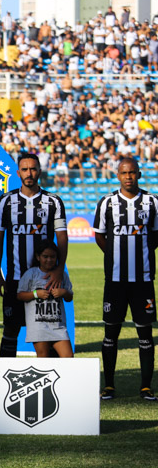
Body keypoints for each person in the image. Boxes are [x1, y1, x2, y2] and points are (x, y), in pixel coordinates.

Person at [94, 157, 158, 401]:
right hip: (115, 281)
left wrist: (141, 253)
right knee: (111, 334)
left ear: (139, 174)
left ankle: (145, 387)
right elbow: (100, 235)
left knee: (145, 334)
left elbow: (155, 235)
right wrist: (114, 256)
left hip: (142, 281)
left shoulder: (152, 202)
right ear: (117, 175)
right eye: (124, 173)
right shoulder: (107, 203)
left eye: (132, 173)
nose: (128, 177)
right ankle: (109, 386)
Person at [0, 153, 68, 357]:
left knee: (49, 331)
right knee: (10, 329)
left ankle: (53, 377)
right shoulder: (6, 201)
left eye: (33, 169)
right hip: (15, 278)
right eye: (25, 169)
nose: (29, 173)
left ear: (39, 172)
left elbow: (62, 238)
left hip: (45, 280)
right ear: (18, 173)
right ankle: (4, 373)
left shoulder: (53, 202)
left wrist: (59, 269)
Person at [16, 241, 74, 358]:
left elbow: (69, 297)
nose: (49, 260)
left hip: (58, 325)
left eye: (52, 257)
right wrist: (36, 294)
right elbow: (20, 295)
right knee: (43, 358)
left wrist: (63, 292)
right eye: (45, 257)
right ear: (38, 257)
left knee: (68, 357)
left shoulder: (61, 275)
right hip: (38, 325)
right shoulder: (31, 274)